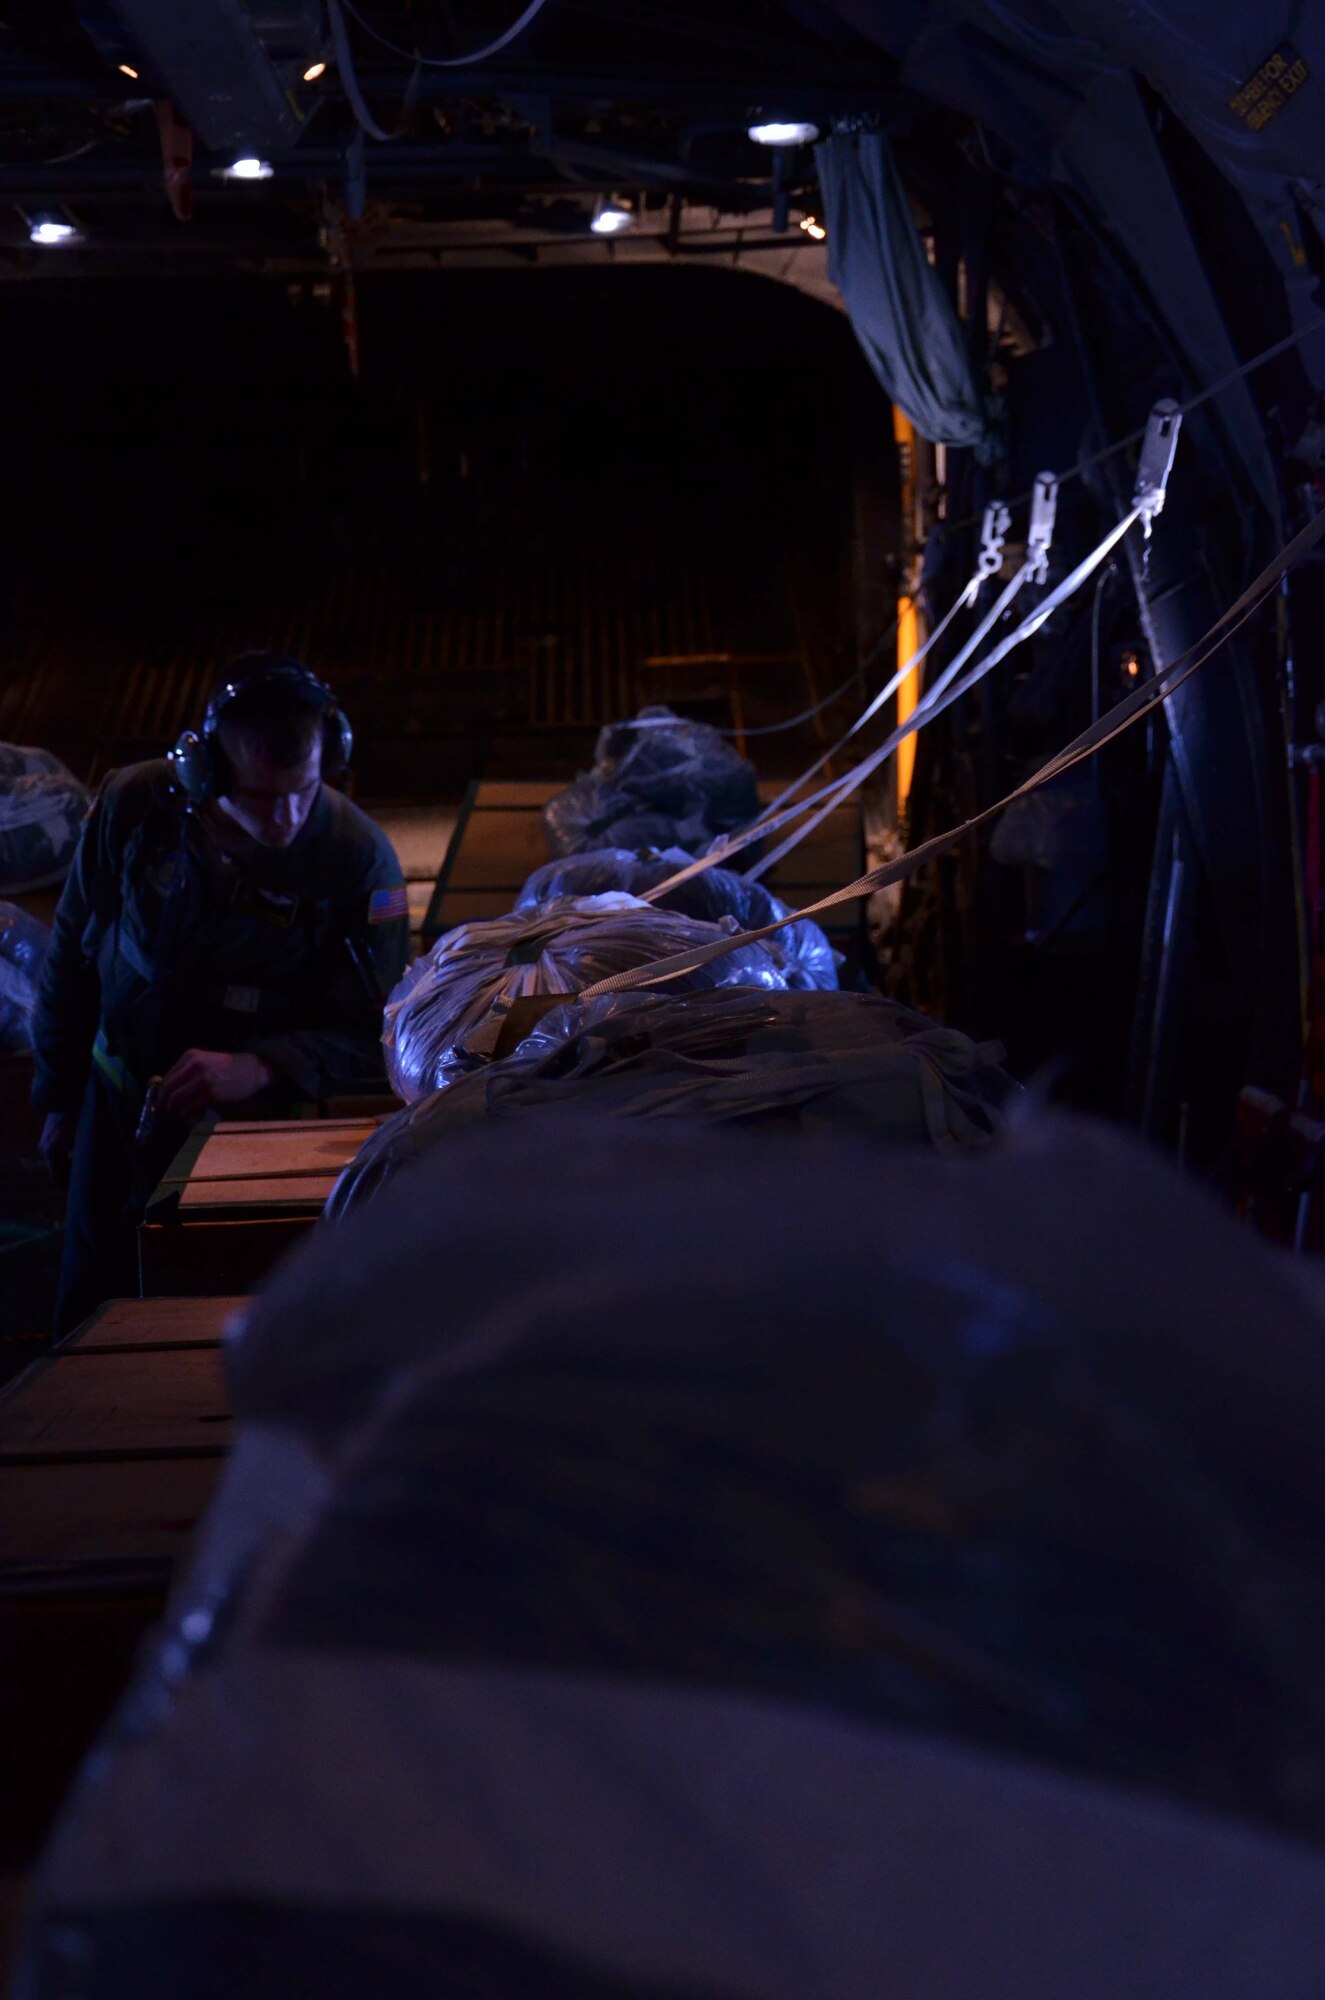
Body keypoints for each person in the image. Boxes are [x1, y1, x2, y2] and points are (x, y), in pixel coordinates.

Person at [30, 653, 410, 1335]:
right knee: (88, 1300)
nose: (288, 819)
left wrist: (265, 1065)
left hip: (253, 1132)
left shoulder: (357, 859)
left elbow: (382, 1032)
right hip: (116, 1102)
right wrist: (58, 1096)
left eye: (305, 791)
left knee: (228, 1315)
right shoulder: (134, 808)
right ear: (203, 773)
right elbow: (72, 957)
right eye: (263, 799)